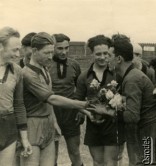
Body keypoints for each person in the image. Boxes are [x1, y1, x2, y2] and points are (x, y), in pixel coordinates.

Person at [90, 37, 156, 166]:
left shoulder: (132, 78)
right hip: (152, 131)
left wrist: (105, 111)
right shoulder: (130, 75)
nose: (106, 58)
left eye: (109, 55)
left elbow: (131, 117)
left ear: (119, 59)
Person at [21, 32, 93, 166]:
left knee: (65, 156)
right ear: (35, 51)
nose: (50, 56)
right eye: (46, 53)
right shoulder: (27, 74)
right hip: (33, 123)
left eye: (51, 52)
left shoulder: (44, 69)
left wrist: (53, 121)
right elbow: (52, 99)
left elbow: (50, 102)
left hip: (49, 120)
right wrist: (84, 105)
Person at [75, 35, 125, 166]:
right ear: (92, 54)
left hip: (113, 125)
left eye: (106, 53)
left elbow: (125, 100)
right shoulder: (84, 77)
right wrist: (89, 114)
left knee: (111, 162)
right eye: (98, 54)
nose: (102, 57)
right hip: (94, 125)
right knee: (97, 162)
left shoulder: (117, 74)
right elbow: (77, 102)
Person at [49, 33, 84, 166]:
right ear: (52, 48)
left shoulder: (74, 64)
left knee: (75, 152)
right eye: (60, 48)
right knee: (53, 155)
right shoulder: (46, 65)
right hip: (52, 113)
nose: (64, 52)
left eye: (66, 48)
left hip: (71, 113)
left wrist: (80, 110)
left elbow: (80, 90)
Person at [0, 27, 32, 165]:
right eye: (15, 50)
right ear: (0, 47)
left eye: (19, 49)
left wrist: (24, 139)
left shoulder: (17, 70)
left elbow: (19, 105)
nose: (18, 54)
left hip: (8, 126)